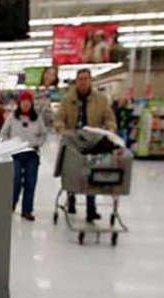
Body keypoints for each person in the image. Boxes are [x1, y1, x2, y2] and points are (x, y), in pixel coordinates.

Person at [55, 69, 117, 223]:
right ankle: (71, 198)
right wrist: (62, 129)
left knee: (92, 174)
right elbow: (59, 118)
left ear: (91, 81)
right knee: (71, 171)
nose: (83, 82)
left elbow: (109, 118)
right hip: (73, 141)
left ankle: (91, 209)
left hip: (93, 142)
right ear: (76, 81)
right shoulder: (67, 99)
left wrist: (109, 129)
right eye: (80, 79)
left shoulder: (100, 100)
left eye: (85, 79)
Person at [1, 90, 47, 222]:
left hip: (32, 154)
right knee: (15, 182)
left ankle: (27, 210)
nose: (26, 104)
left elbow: (44, 134)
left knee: (30, 183)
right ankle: (11, 205)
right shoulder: (12, 118)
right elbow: (4, 133)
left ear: (31, 103)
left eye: (28, 101)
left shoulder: (37, 118)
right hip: (16, 154)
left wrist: (37, 143)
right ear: (19, 103)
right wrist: (8, 145)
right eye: (23, 101)